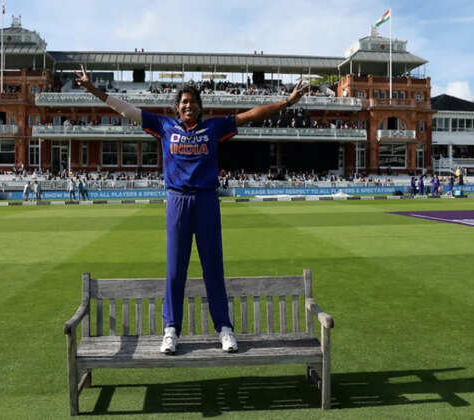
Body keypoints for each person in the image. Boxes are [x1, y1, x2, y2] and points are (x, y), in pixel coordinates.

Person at [76, 64, 309, 355]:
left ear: (200, 107)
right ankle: (171, 330)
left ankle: (224, 329)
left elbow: (250, 115)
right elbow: (126, 109)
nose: (188, 105)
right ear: (177, 108)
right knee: (175, 270)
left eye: (193, 102)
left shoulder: (213, 128)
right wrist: (93, 89)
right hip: (176, 201)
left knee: (214, 267)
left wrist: (286, 102)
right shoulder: (163, 126)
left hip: (206, 201)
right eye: (184, 102)